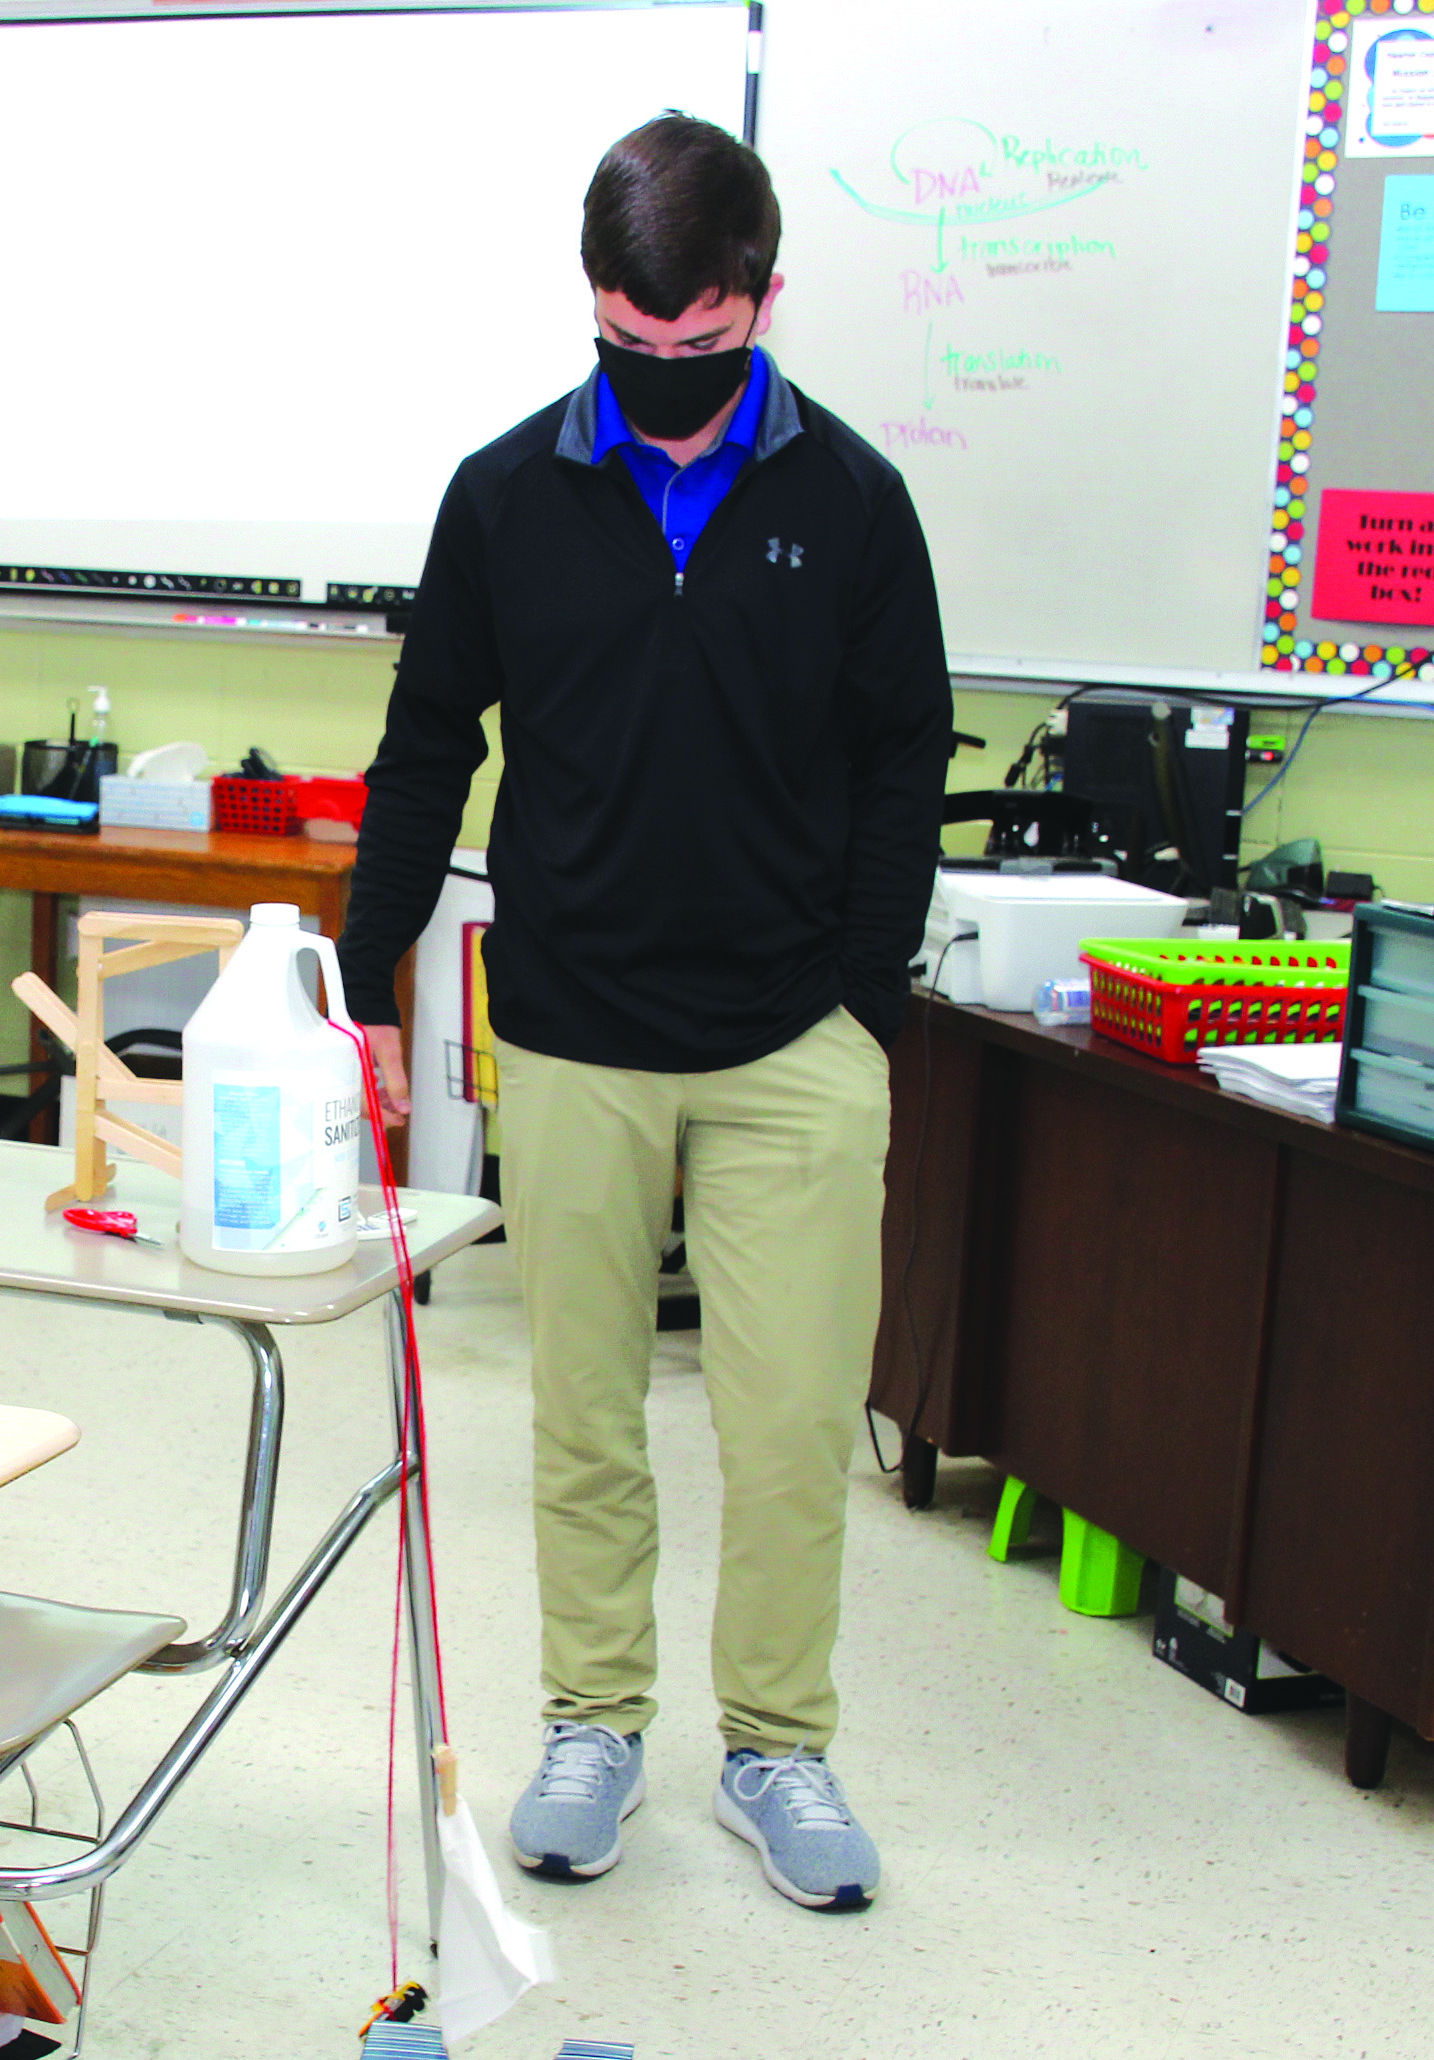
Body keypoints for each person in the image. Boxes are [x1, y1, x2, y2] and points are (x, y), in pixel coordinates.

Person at [336, 115, 948, 1912]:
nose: (667, 382)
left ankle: (775, 1748)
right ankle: (594, 1721)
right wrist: (370, 979)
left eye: (705, 348)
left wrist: (864, 997)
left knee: (786, 1427)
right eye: (631, 340)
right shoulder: (505, 494)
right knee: (586, 1417)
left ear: (763, 299)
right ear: (593, 302)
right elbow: (427, 743)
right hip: (579, 1034)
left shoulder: (848, 499)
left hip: (790, 1048)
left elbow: (907, 750)